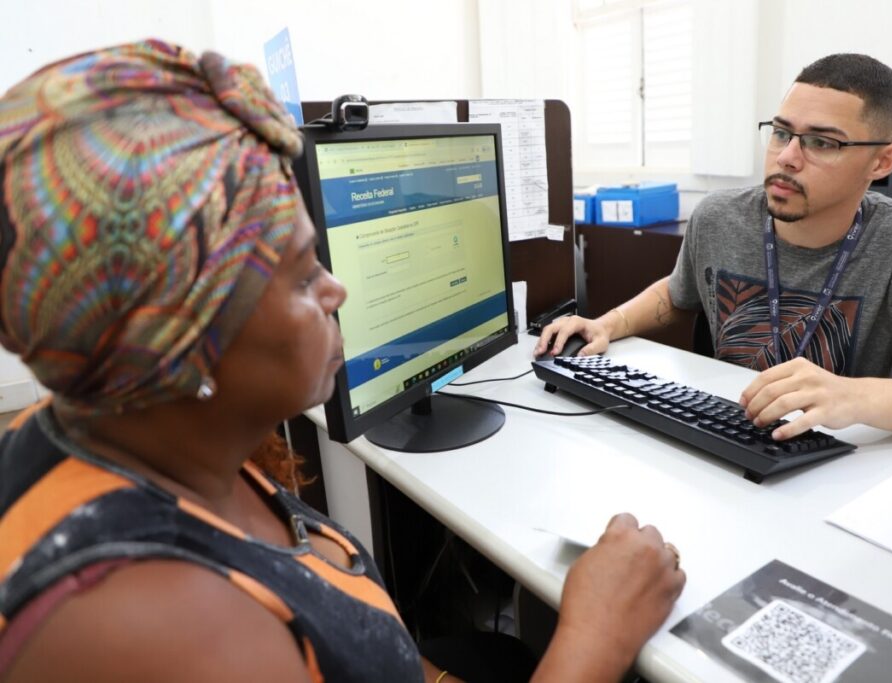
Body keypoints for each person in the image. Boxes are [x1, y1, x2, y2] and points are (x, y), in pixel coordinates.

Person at [0, 41, 685, 683]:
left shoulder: (126, 429)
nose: (337, 290)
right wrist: (596, 632)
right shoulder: (163, 627)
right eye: (303, 277)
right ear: (176, 339)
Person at [538, 53, 892, 440]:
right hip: (728, 432)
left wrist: (854, 396)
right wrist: (607, 323)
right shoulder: (720, 217)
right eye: (782, 132)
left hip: (843, 460)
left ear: (882, 161)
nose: (786, 157)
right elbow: (680, 292)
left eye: (821, 142)